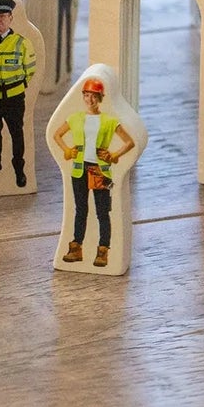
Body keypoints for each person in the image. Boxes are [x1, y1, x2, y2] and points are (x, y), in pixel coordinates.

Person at [53, 76, 136, 268]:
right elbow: (56, 134)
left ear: (100, 98)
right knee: (80, 210)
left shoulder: (109, 121)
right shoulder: (75, 118)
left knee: (102, 211)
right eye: (87, 95)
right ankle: (76, 248)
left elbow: (129, 142)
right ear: (83, 96)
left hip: (99, 171)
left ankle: (103, 250)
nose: (90, 100)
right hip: (79, 170)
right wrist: (67, 150)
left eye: (94, 96)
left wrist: (114, 155)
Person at [0, 0, 37, 188]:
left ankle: (19, 169)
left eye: (3, 16)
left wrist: (17, 87)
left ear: (11, 18)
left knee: (16, 134)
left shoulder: (21, 43)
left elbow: (30, 69)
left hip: (13, 98)